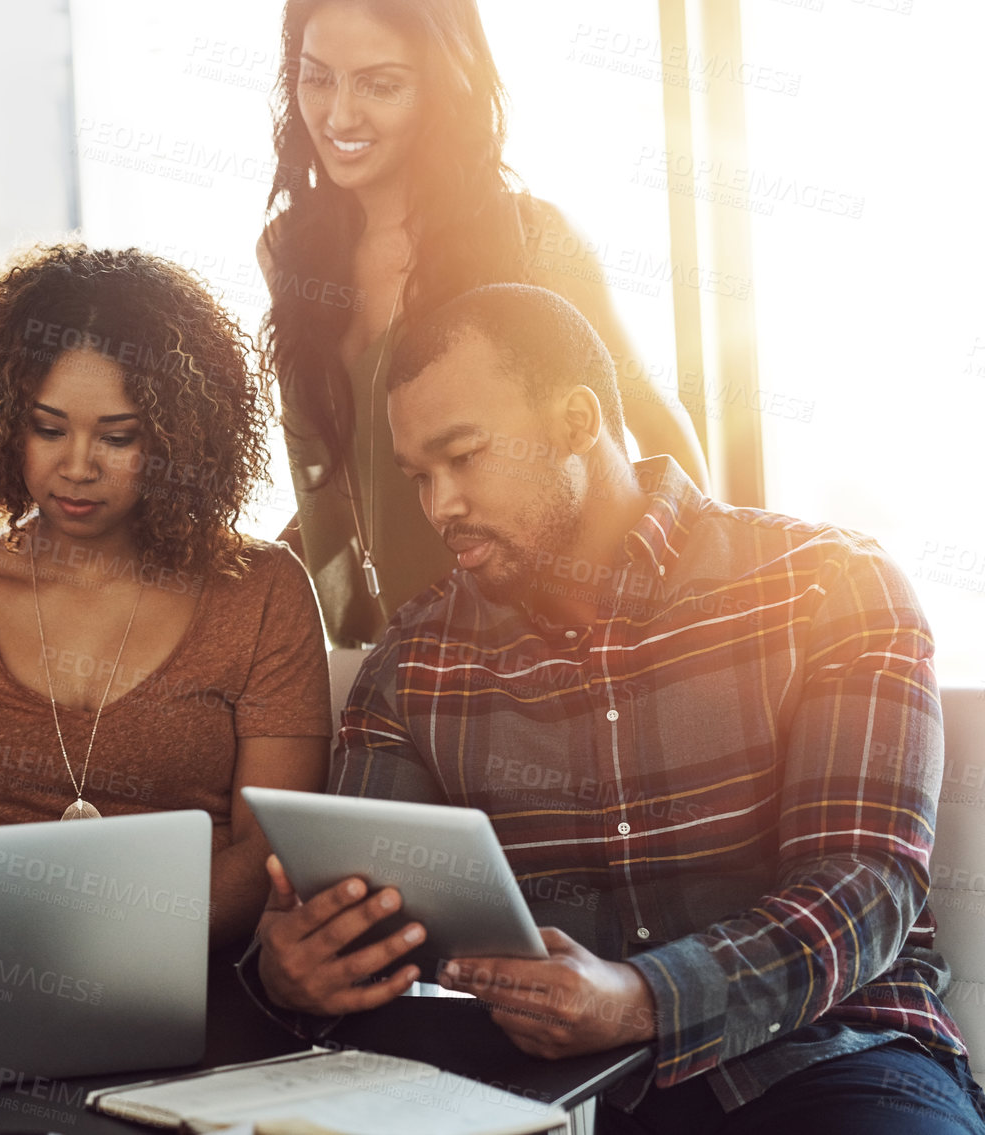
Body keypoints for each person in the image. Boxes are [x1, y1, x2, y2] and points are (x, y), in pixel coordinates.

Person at [244, 284, 985, 1131]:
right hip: (537, 1086)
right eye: (419, 475)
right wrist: (297, 970)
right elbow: (370, 915)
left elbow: (865, 884)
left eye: (465, 455)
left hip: (822, 1054)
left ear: (576, 420)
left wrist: (646, 997)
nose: (439, 505)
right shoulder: (415, 659)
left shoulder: (827, 586)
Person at [0, 244, 331, 949]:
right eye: (47, 429)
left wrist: (98, 944)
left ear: (177, 438)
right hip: (9, 987)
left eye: (118, 437)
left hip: (219, 983)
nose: (77, 466)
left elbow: (271, 856)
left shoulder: (263, 590)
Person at [260, 0, 711, 647]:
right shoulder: (284, 250)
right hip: (377, 653)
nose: (338, 114)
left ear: (444, 86)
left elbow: (656, 424)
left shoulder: (532, 238)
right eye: (317, 76)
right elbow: (338, 475)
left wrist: (698, 601)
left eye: (380, 84)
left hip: (537, 644)